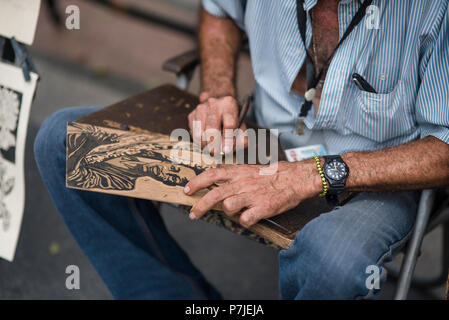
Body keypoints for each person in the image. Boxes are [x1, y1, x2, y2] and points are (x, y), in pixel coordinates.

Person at [34, 0, 449, 299]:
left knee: (333, 264)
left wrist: (315, 174)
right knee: (65, 144)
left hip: (376, 173)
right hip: (263, 142)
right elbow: (219, 12)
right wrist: (216, 90)